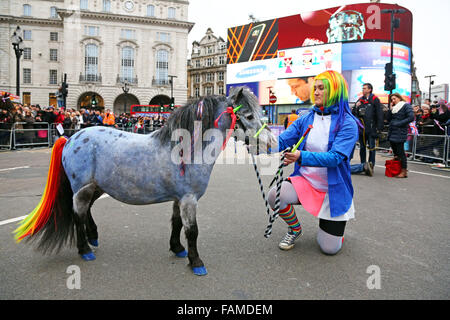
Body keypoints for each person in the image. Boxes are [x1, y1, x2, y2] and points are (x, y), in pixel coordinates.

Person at [267, 70, 360, 255]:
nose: (316, 92)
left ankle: (334, 230)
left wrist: (301, 156)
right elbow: (282, 141)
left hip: (332, 191)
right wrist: (257, 143)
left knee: (329, 249)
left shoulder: (348, 123)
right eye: (315, 88)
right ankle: (295, 229)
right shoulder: (306, 118)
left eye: (321, 88)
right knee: (274, 195)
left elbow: (335, 158)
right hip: (306, 183)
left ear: (335, 91)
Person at [350, 83, 384, 176]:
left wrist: (379, 128)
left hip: (372, 128)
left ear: (370, 89)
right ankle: (363, 165)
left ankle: (371, 165)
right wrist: (356, 106)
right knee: (362, 148)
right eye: (363, 88)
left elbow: (379, 114)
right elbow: (354, 113)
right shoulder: (360, 100)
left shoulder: (375, 100)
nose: (363, 90)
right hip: (362, 129)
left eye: (365, 88)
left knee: (372, 148)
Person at [386, 93, 414, 178]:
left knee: (401, 152)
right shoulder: (394, 108)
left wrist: (399, 124)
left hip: (400, 131)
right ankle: (397, 169)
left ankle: (404, 171)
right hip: (392, 132)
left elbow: (411, 117)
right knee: (396, 153)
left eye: (394, 99)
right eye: (392, 99)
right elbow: (388, 119)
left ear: (399, 98)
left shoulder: (406, 106)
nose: (393, 101)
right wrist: (390, 110)